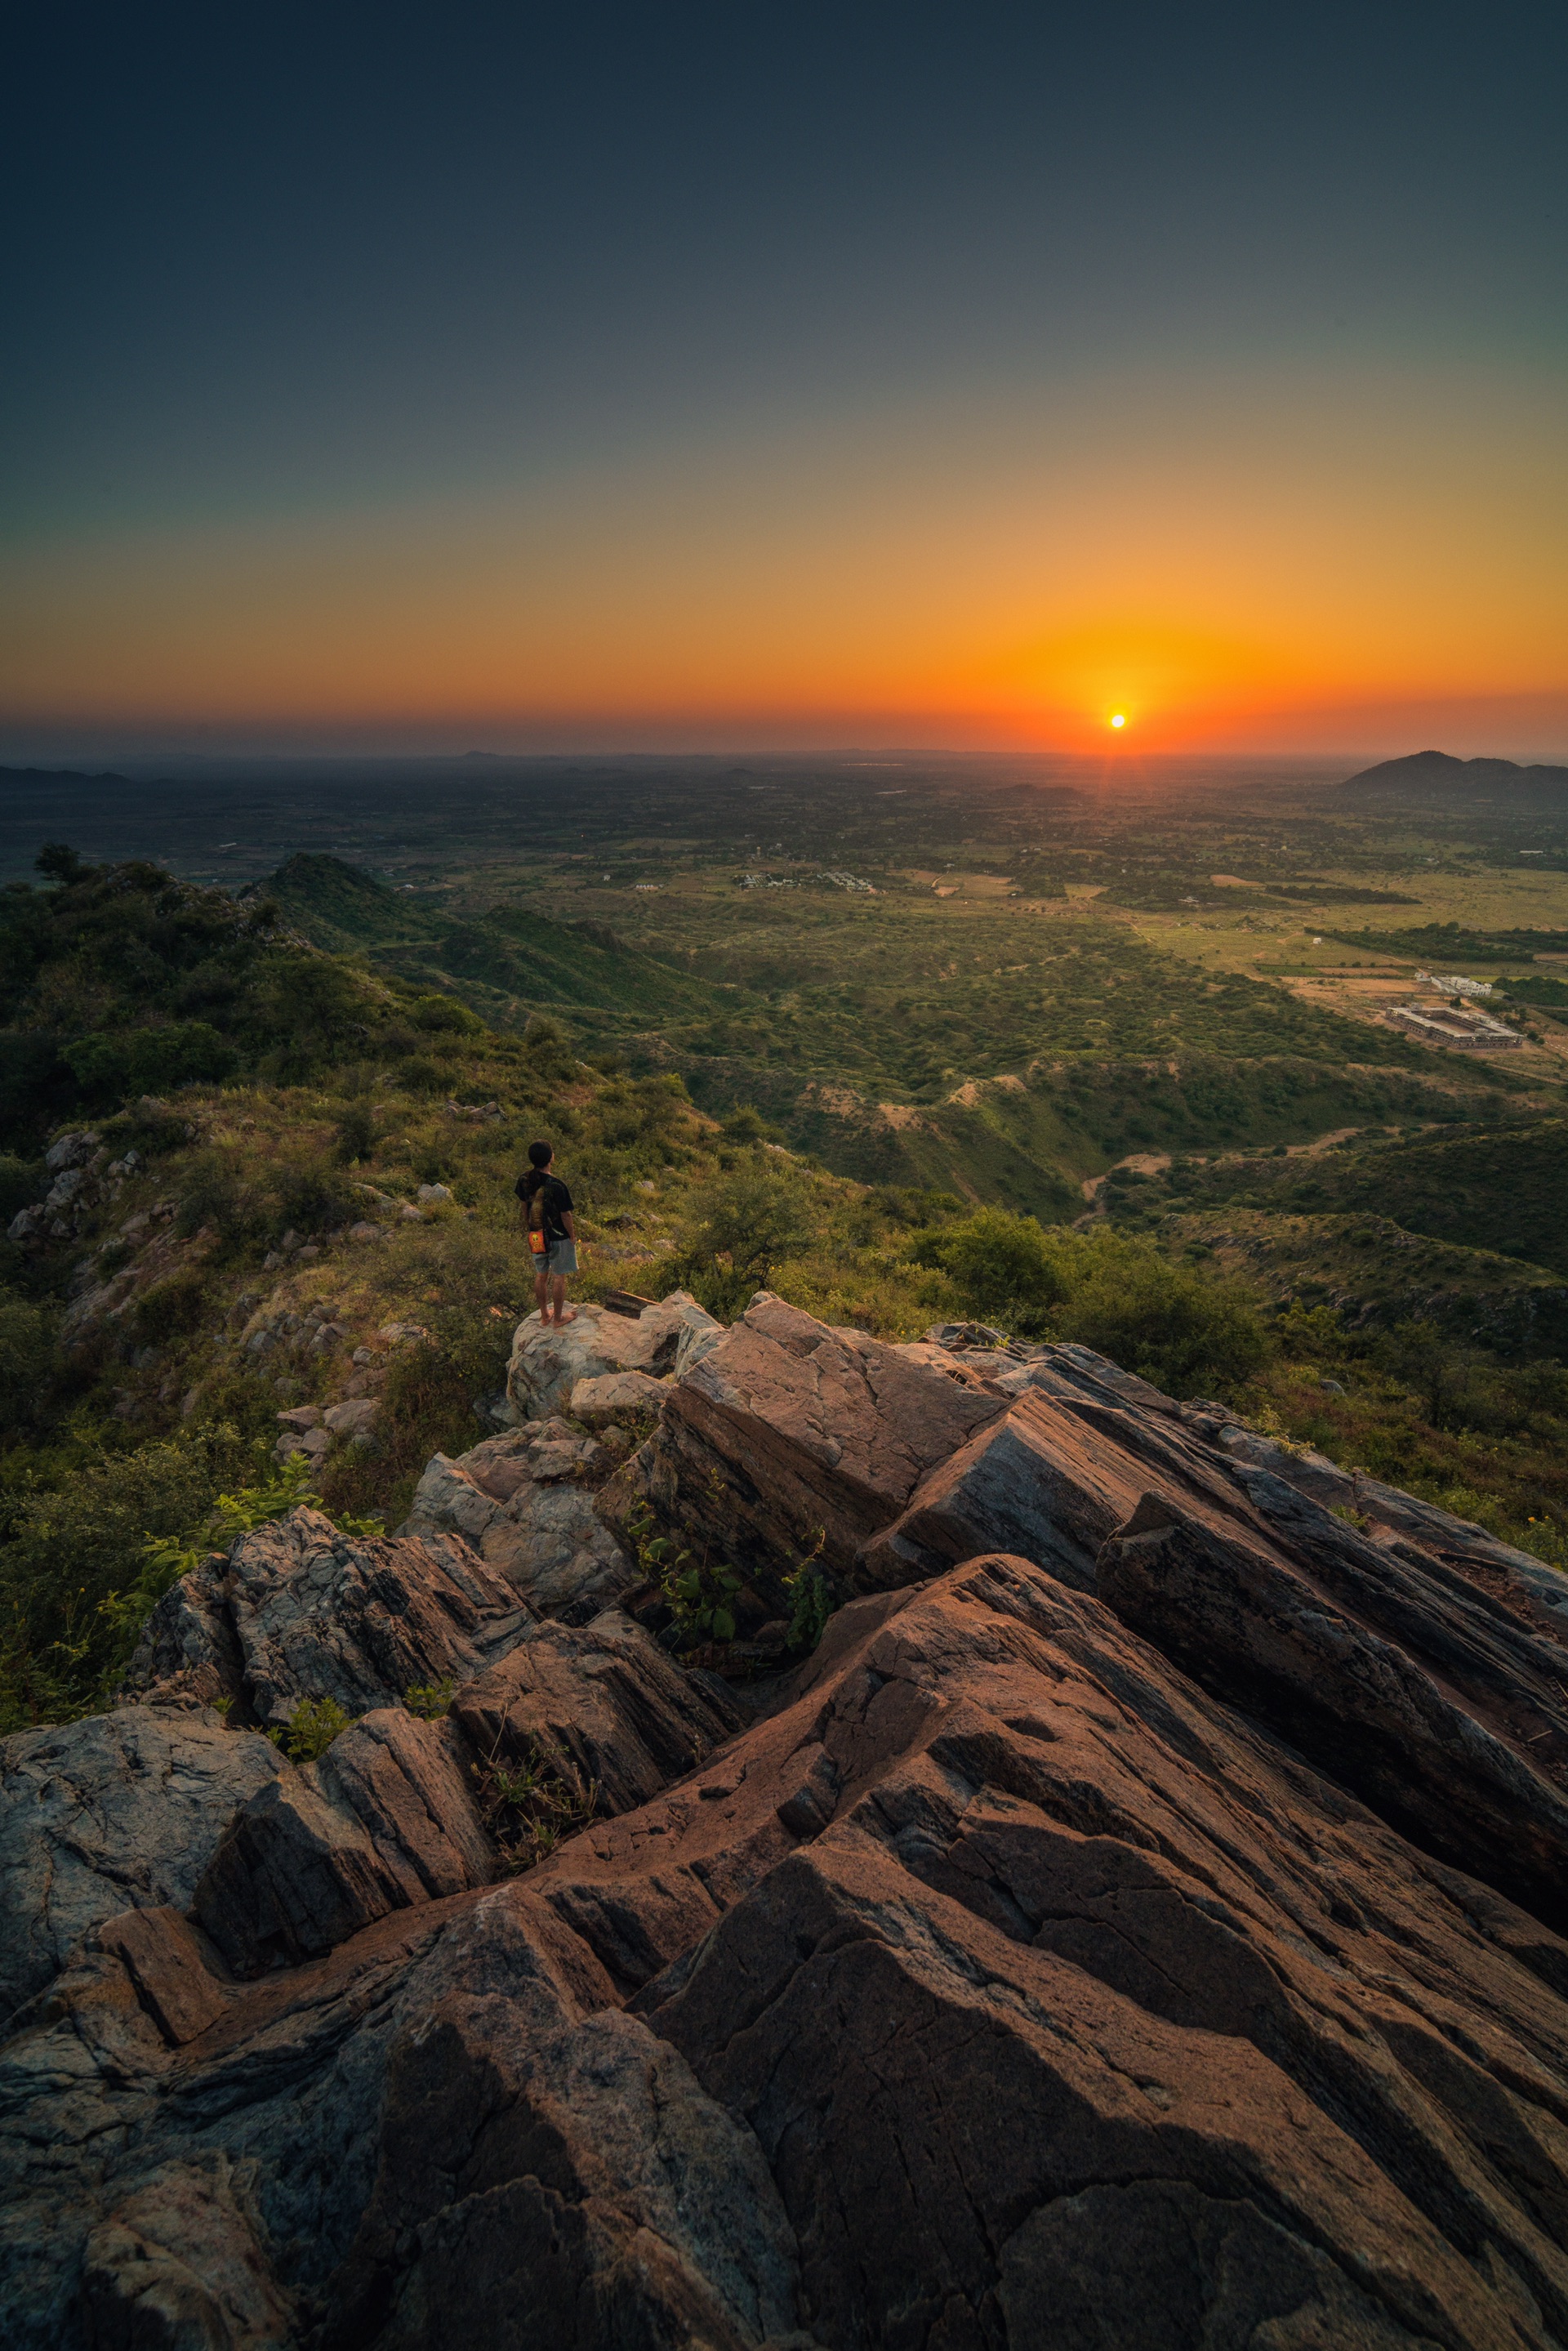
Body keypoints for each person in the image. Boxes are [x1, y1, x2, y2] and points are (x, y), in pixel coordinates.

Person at [516, 1140, 578, 1326]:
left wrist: (528, 1224)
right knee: (559, 1276)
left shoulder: (524, 1179)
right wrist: (572, 1236)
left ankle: (545, 1315)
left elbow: (524, 1205)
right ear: (551, 1158)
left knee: (541, 1274)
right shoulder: (557, 1185)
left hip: (536, 1234)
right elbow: (566, 1215)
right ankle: (558, 1318)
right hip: (558, 1237)